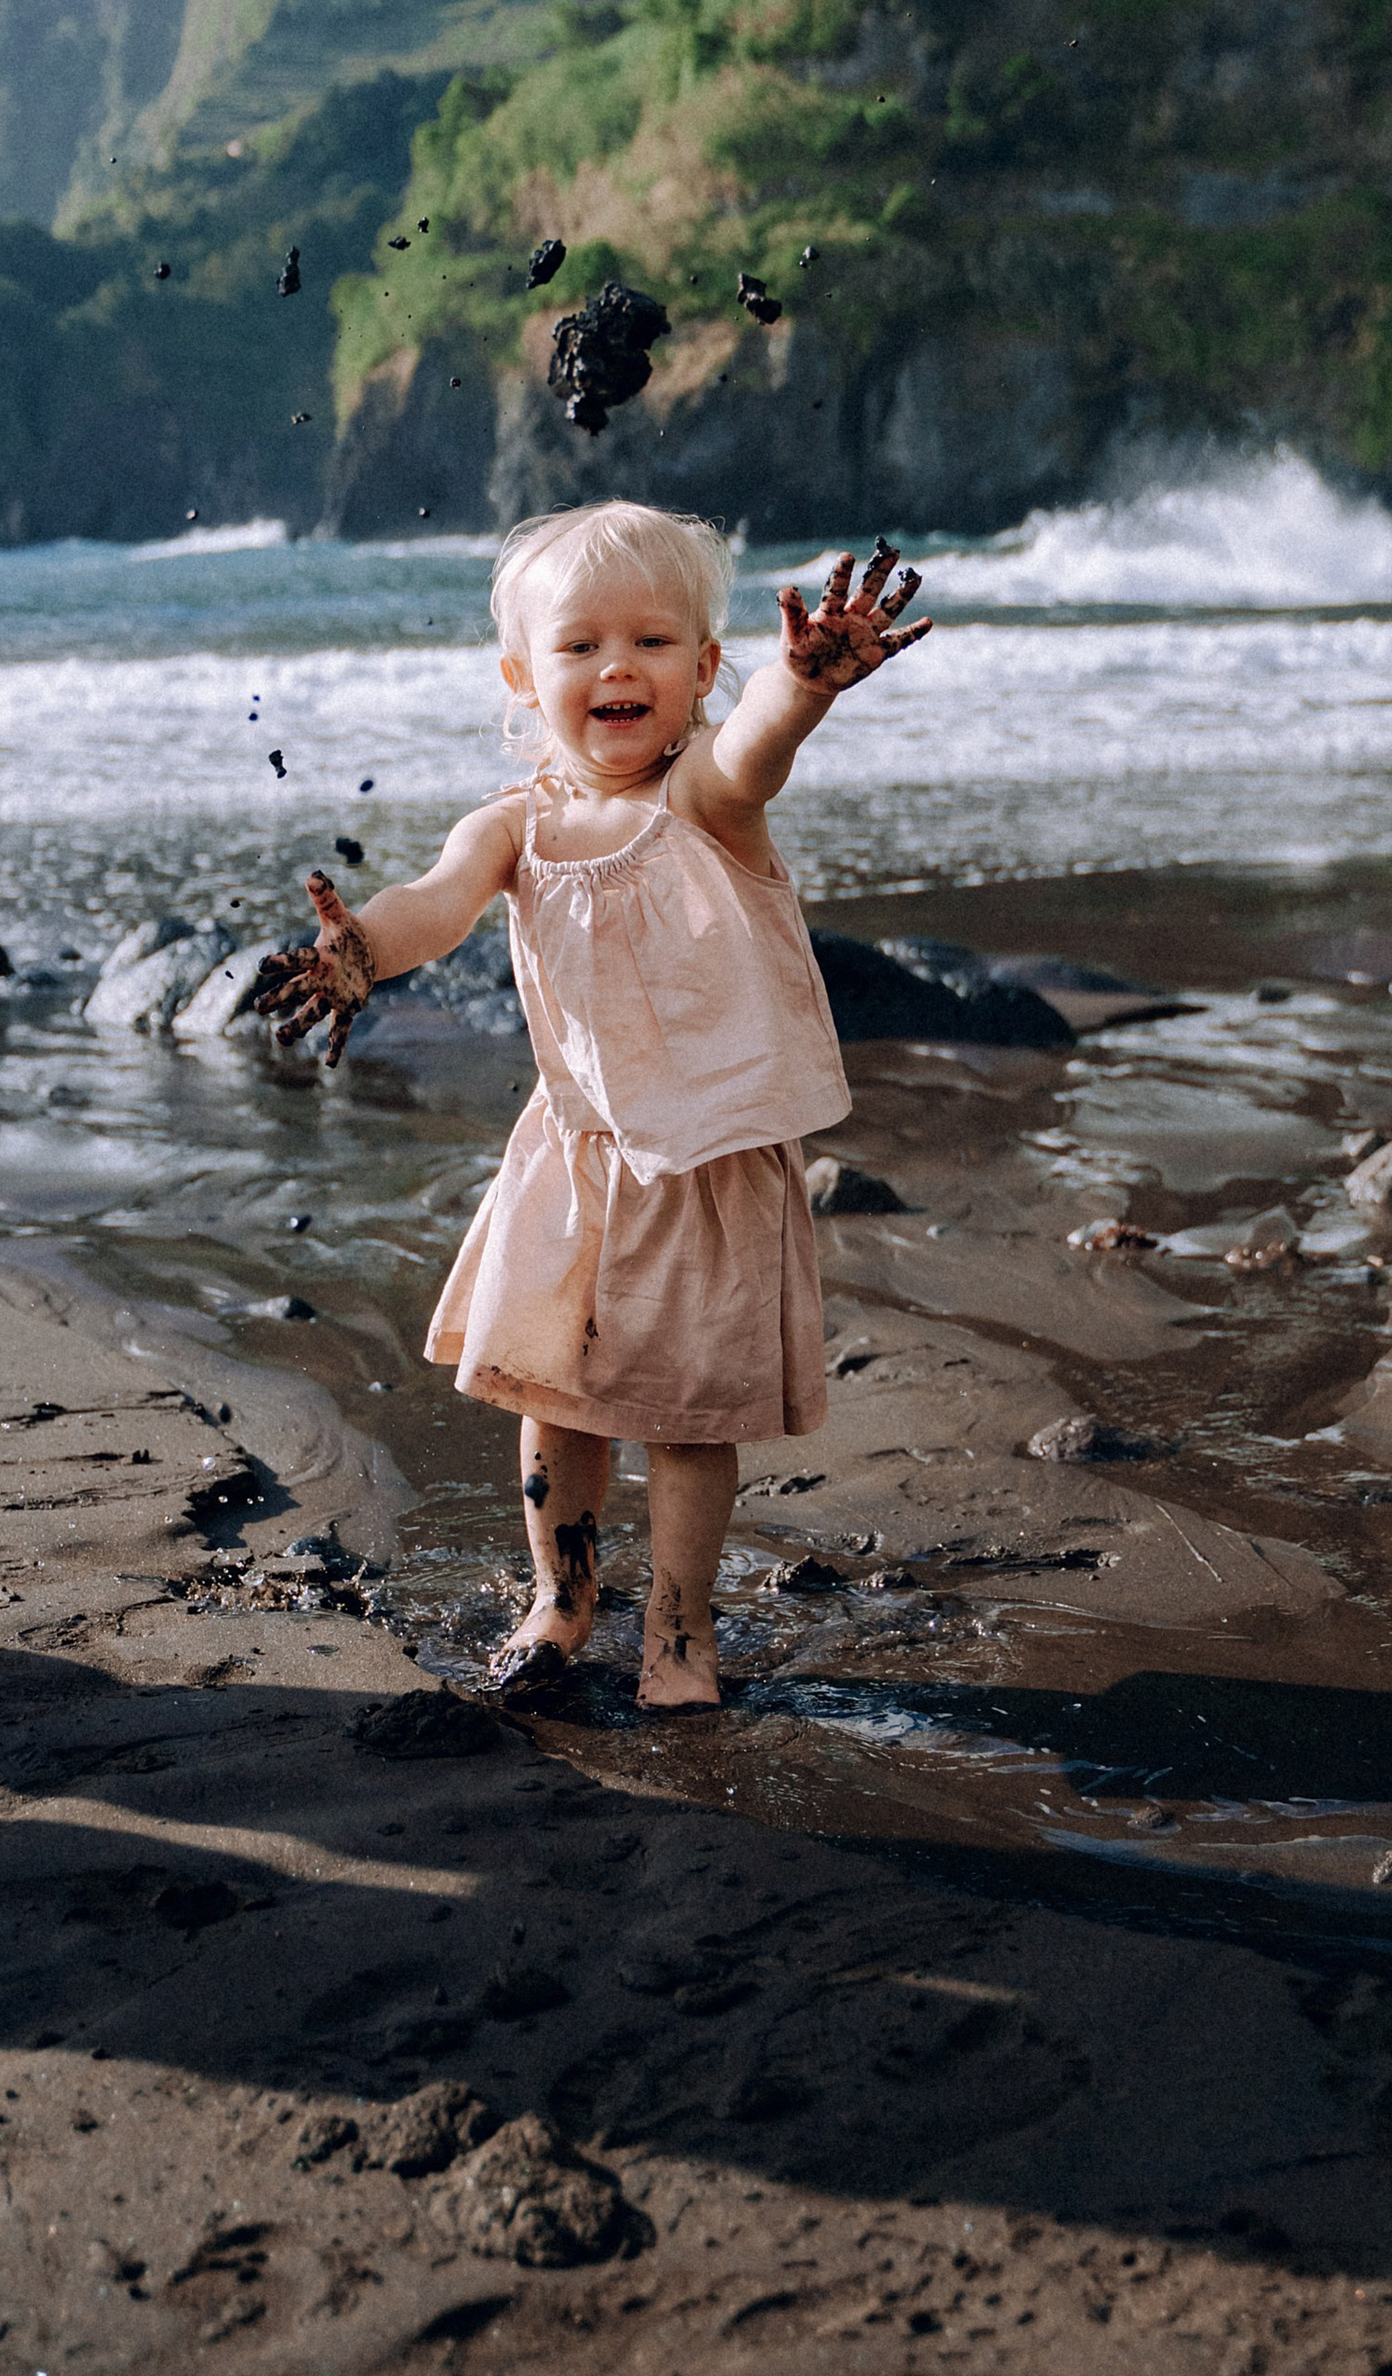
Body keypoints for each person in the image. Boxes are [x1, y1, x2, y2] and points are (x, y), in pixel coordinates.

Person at [246, 499, 929, 1712]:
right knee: (553, 1400)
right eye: (579, 646)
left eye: (654, 644)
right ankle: (561, 1595)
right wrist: (364, 952)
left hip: (707, 1168)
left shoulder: (708, 797)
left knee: (679, 1417)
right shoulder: (514, 825)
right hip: (571, 1159)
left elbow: (756, 746)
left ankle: (677, 1630)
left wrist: (802, 690)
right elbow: (436, 901)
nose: (618, 666)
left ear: (705, 668)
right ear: (523, 678)